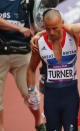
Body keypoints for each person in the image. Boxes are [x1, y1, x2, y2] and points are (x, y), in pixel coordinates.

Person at [27, 9, 80, 131]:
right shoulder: (39, 43)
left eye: (55, 28)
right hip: (51, 99)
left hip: (71, 98)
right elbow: (31, 69)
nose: (51, 32)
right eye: (48, 28)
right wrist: (31, 92)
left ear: (62, 23)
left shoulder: (73, 36)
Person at [0, 0, 46, 131]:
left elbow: (37, 23)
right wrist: (18, 28)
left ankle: (39, 121)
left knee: (30, 94)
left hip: (22, 54)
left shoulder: (28, 1)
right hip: (1, 54)